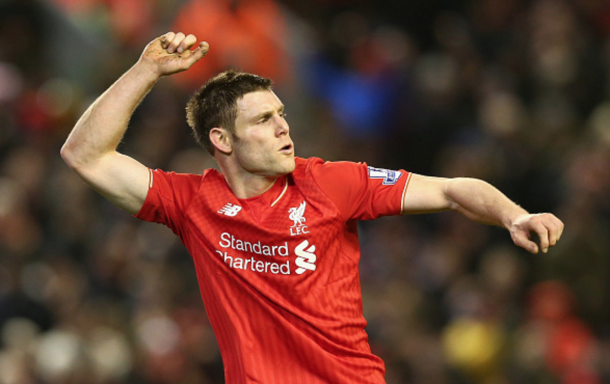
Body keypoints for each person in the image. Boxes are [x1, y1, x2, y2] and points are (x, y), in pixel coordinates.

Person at [61, 32, 564, 384]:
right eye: (263, 119)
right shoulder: (192, 202)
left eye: (281, 113)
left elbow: (453, 189)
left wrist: (514, 215)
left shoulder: (330, 182)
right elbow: (84, 155)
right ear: (223, 139)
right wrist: (147, 69)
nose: (283, 126)